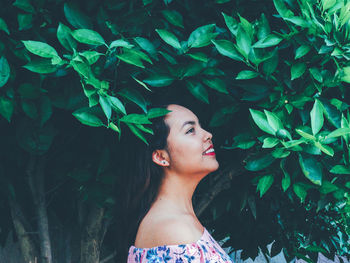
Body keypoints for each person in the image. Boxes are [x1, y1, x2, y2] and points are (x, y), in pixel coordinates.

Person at [119, 104, 233, 263]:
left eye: (200, 127)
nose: (208, 135)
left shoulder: (176, 222)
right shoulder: (172, 231)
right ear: (161, 157)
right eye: (190, 130)